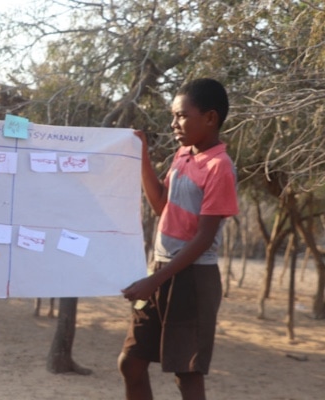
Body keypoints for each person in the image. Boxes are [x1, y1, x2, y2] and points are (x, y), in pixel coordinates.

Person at [118, 78, 238, 400]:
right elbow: (161, 205)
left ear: (210, 118)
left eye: (182, 115)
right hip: (161, 271)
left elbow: (203, 239)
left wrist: (153, 280)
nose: (174, 123)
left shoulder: (220, 167)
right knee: (130, 362)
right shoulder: (183, 155)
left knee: (187, 374)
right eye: (173, 116)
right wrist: (142, 155)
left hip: (193, 278)